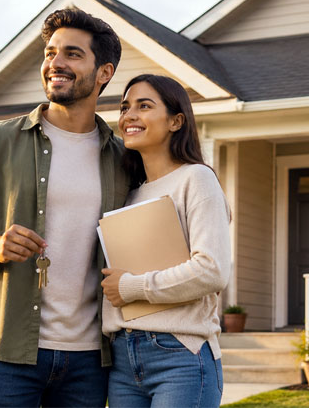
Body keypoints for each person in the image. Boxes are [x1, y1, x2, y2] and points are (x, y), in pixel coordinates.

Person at [0, 7, 129, 408]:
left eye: (72, 54)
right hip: (6, 351)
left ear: (104, 72)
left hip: (90, 359)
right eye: (50, 53)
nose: (55, 63)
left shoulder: (124, 159)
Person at [100, 73, 232, 408]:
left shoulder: (196, 178)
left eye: (144, 106)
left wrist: (131, 286)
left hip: (179, 355)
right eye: (125, 107)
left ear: (176, 121)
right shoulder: (129, 194)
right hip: (122, 358)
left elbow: (212, 270)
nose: (129, 115)